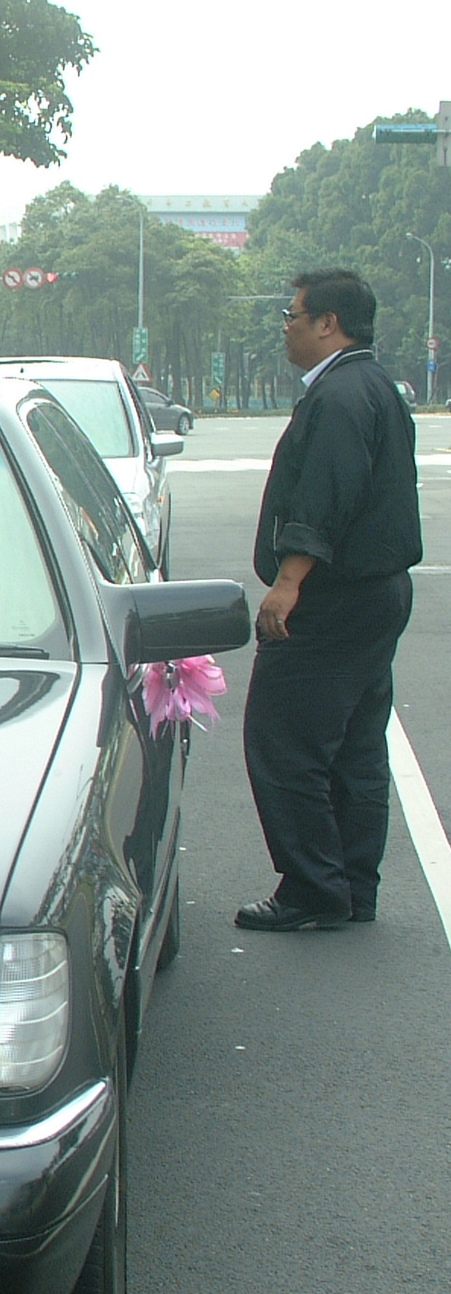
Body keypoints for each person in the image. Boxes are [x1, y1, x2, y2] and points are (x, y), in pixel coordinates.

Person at [237, 267, 421, 931]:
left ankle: (313, 889)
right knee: (355, 751)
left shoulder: (340, 396)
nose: (285, 327)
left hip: (332, 599)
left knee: (284, 742)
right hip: (377, 595)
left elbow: (326, 496)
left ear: (327, 323)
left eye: (291, 315)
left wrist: (288, 583)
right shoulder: (376, 387)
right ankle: (351, 886)